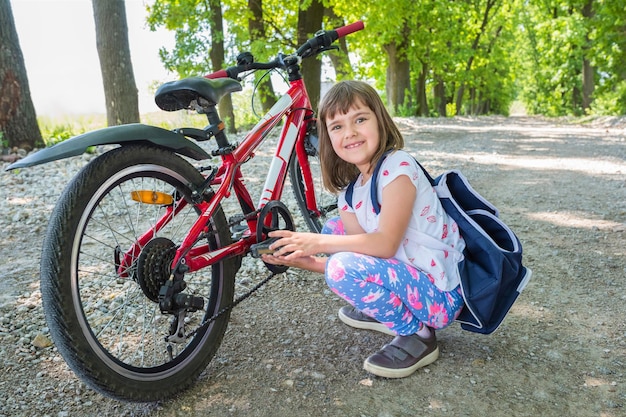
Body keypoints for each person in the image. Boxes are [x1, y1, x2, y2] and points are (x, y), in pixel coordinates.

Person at [262, 80, 466, 378]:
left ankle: (419, 336)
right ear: (327, 138)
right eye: (337, 127)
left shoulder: (399, 168)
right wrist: (303, 260)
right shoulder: (350, 194)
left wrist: (315, 243)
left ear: (380, 121)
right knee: (335, 231)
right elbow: (344, 262)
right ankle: (384, 306)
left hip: (440, 295)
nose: (350, 133)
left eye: (360, 119)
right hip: (409, 276)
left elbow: (383, 245)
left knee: (334, 248)